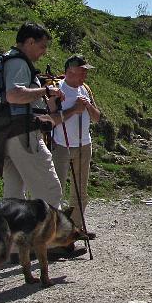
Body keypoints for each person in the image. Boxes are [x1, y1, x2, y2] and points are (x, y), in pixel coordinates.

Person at [0, 23, 66, 209]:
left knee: (14, 196)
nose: (44, 52)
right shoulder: (18, 62)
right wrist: (45, 90)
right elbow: (14, 94)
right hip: (24, 134)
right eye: (42, 46)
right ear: (29, 42)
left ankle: (15, 237)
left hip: (8, 133)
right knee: (49, 190)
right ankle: (52, 236)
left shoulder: (8, 60)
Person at [51, 54, 102, 239]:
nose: (84, 76)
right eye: (82, 71)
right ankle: (54, 231)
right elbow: (52, 119)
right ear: (69, 71)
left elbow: (97, 117)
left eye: (85, 72)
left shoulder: (85, 89)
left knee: (81, 190)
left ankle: (75, 228)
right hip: (61, 144)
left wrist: (88, 107)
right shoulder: (57, 89)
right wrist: (74, 110)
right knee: (56, 189)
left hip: (84, 144)